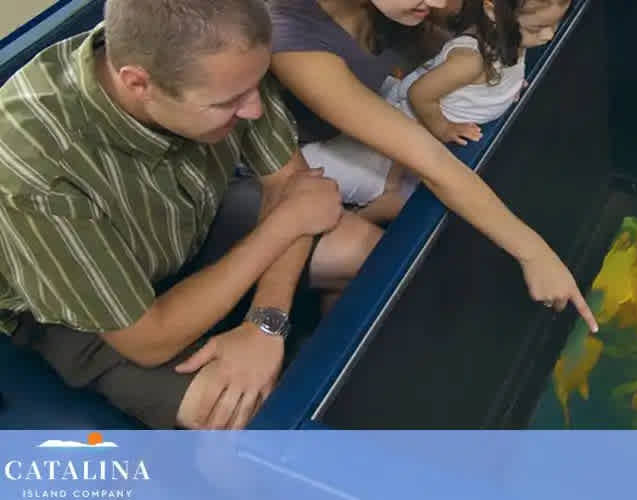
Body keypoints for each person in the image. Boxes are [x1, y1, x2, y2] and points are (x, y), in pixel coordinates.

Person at [0, 0, 382, 430]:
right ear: (138, 84)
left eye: (255, 87)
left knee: (365, 252)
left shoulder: (224, 64)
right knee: (239, 411)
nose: (254, 110)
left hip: (190, 221)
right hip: (92, 309)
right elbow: (147, 340)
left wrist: (265, 323)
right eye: (229, 102)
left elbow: (292, 185)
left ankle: (337, 390)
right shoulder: (33, 165)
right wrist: (282, 226)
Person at [268, 0, 598, 331]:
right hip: (279, 176)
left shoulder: (404, 8)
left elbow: (451, 54)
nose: (442, 2)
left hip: (369, 134)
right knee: (380, 257)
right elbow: (428, 157)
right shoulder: (290, 36)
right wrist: (533, 252)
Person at [301, 0, 568, 221]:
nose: (549, 35)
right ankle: (350, 218)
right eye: (538, 28)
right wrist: (442, 127)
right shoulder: (470, 61)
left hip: (412, 136)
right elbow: (418, 94)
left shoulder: (510, 40)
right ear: (492, 11)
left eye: (555, 24)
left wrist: (508, 90)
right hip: (395, 142)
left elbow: (497, 78)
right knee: (400, 201)